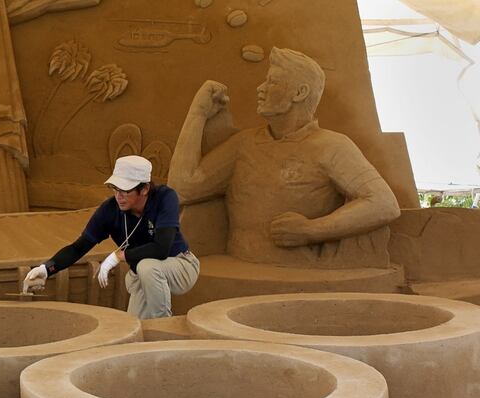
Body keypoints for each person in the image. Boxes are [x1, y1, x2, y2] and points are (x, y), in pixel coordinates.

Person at [168, 47, 401, 269]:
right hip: (243, 265)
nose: (261, 88)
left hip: (301, 275)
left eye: (272, 82)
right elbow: (183, 188)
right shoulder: (245, 144)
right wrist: (197, 113)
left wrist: (312, 229)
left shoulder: (331, 146)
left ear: (299, 93)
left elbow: (384, 203)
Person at [22, 155, 199, 319]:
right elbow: (79, 247)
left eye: (125, 190)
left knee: (147, 267)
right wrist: (46, 269)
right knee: (135, 326)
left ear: (144, 189)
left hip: (181, 265)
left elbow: (161, 249)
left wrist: (118, 256)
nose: (118, 196)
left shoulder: (165, 197)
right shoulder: (110, 210)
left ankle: (164, 325)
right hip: (143, 276)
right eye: (115, 189)